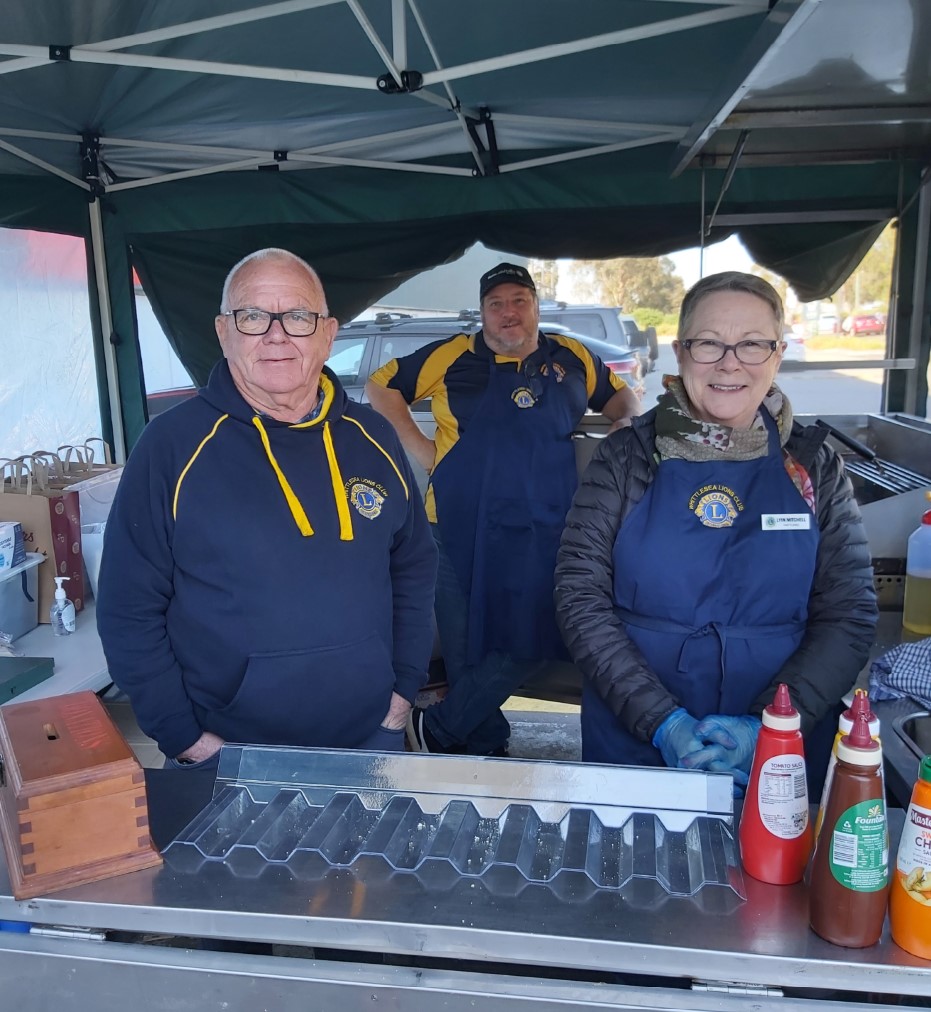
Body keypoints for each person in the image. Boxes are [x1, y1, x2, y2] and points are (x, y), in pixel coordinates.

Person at [97, 248, 437, 768]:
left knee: (369, 856)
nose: (276, 335)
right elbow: (127, 608)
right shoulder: (172, 446)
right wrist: (183, 737)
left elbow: (413, 566)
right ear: (223, 331)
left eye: (298, 316)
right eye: (253, 316)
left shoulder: (373, 437)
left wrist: (402, 694)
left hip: (370, 739)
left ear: (327, 333)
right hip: (225, 753)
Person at [554, 271, 877, 795]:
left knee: (773, 873)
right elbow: (578, 595)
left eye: (752, 344)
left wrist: (768, 724)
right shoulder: (627, 457)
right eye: (710, 344)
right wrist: (663, 722)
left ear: (777, 354)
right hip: (636, 730)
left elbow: (849, 612)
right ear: (681, 353)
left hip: (782, 736)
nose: (730, 363)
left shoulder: (812, 465)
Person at [365, 262, 641, 756]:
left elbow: (622, 398)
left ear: (535, 306)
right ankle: (485, 743)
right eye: (496, 304)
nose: (507, 313)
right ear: (483, 313)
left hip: (548, 526)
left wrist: (625, 429)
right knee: (465, 645)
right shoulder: (453, 355)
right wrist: (419, 446)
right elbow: (382, 385)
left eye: (518, 300)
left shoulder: (572, 354)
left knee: (538, 632)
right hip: (453, 523)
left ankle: (441, 728)